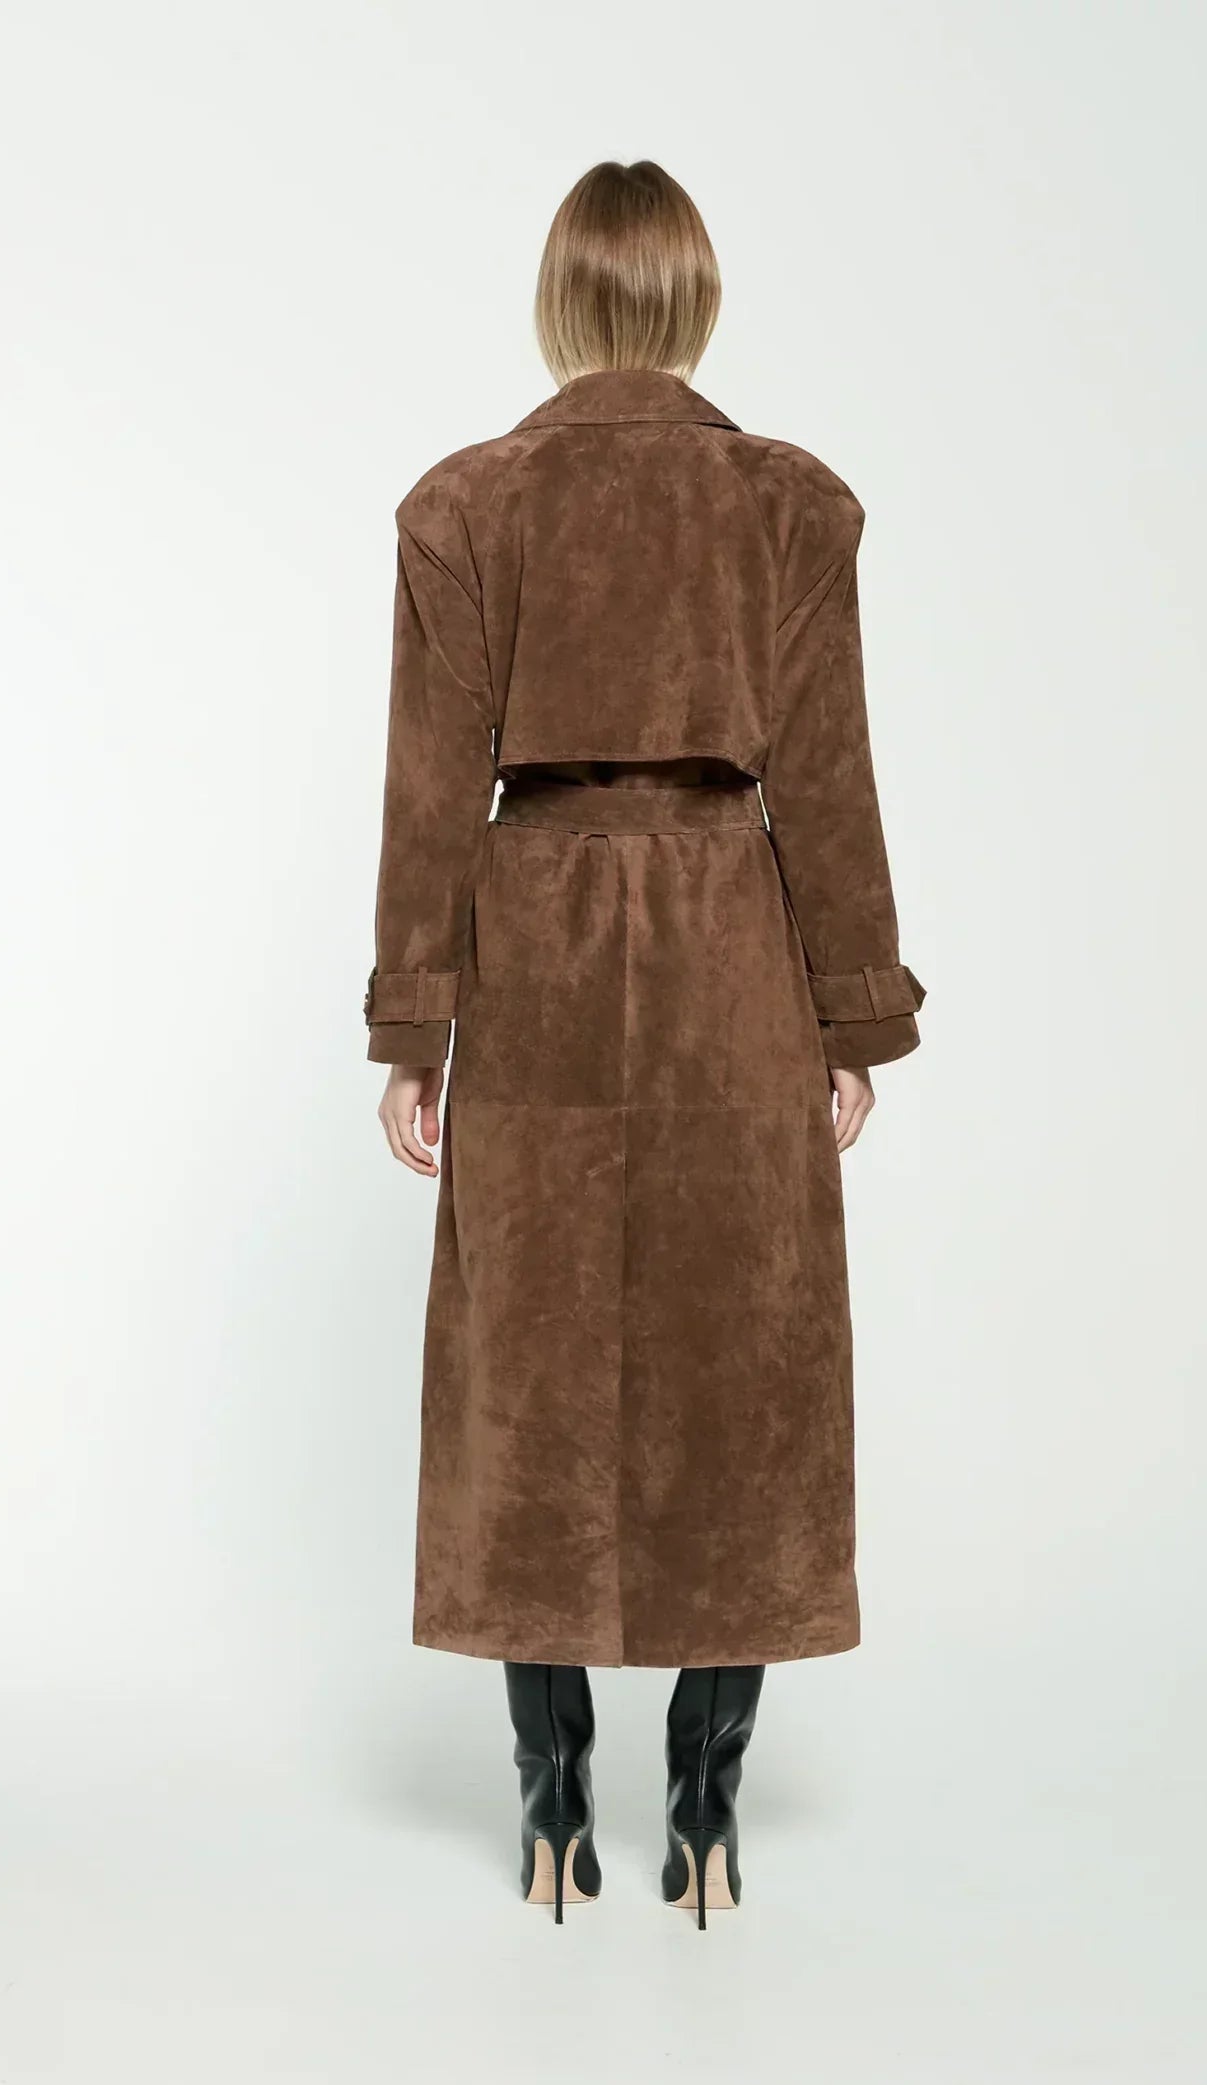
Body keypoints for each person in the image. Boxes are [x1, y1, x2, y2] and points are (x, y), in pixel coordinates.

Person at [364, 161, 925, 1927]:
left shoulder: (466, 505)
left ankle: (552, 1805)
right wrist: (851, 1013)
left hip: (531, 937)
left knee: (526, 1354)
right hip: (728, 942)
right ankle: (705, 1808)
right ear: (695, 303)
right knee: (745, 1353)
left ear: (559, 304)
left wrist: (415, 1025)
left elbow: (428, 793)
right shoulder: (789, 505)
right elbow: (825, 781)